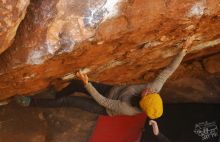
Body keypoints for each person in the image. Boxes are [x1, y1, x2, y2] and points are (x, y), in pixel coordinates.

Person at [16, 36, 195, 120]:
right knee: (76, 84)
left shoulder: (127, 109)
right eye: (152, 92)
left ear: (143, 103)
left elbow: (102, 101)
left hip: (104, 106)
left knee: (69, 101)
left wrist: (88, 84)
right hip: (113, 90)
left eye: (147, 95)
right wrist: (184, 49)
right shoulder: (154, 89)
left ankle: (31, 102)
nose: (148, 90)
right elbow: (169, 70)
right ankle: (56, 96)